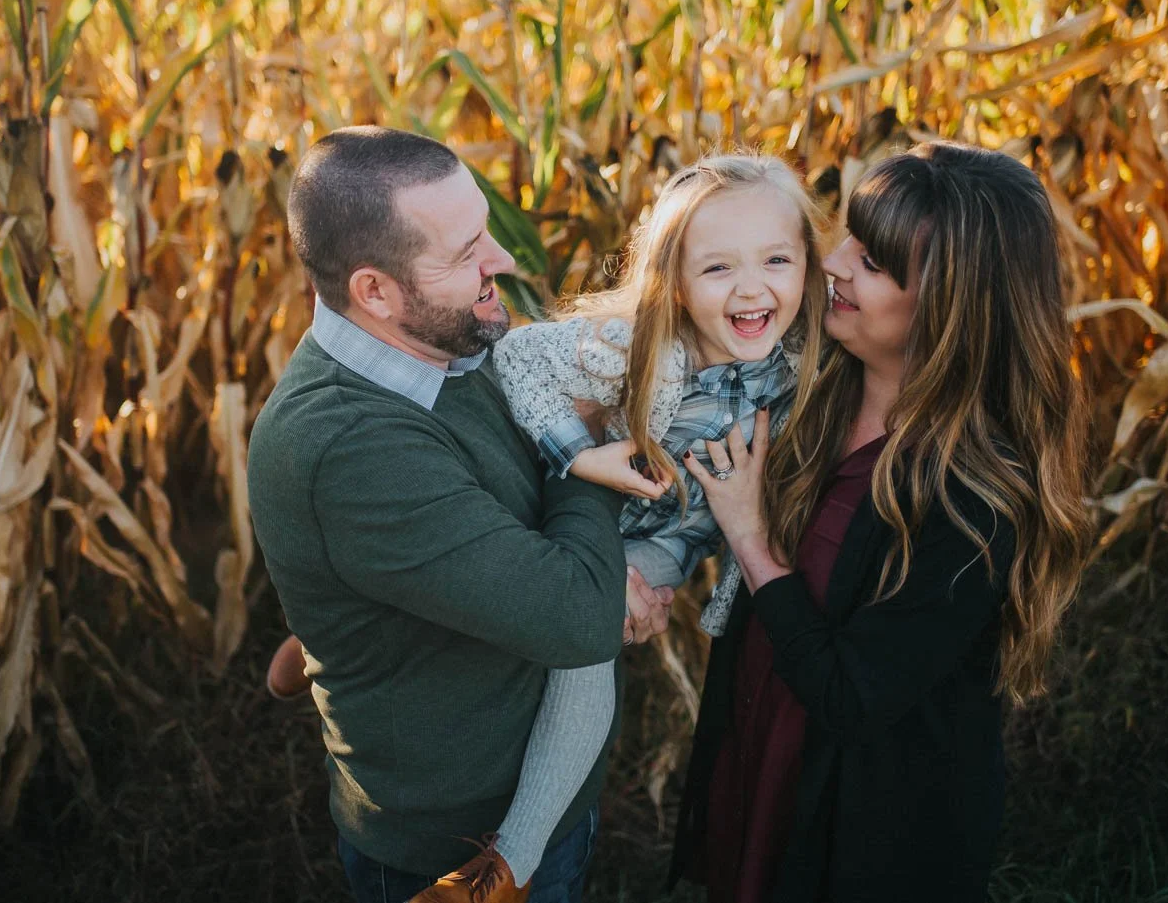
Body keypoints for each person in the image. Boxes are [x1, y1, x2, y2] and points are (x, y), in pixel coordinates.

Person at [246, 126, 668, 903]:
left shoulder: (442, 341)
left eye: (487, 232)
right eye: (465, 252)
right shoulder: (348, 447)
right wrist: (582, 445)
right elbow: (579, 617)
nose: (500, 260)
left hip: (539, 789)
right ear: (374, 291)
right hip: (457, 853)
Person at [671, 142, 1092, 902]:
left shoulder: (973, 500)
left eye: (870, 262)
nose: (832, 262)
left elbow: (852, 696)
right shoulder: (805, 381)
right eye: (848, 239)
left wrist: (751, 539)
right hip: (760, 743)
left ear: (947, 304)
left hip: (861, 819)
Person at [425, 154, 824, 893]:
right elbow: (518, 358)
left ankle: (507, 865)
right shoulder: (641, 345)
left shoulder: (805, 367)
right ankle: (319, 646)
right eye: (718, 268)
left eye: (777, 259)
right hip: (558, 515)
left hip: (661, 545)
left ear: (809, 263)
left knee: (582, 642)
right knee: (472, 610)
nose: (752, 288)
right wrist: (581, 456)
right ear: (675, 280)